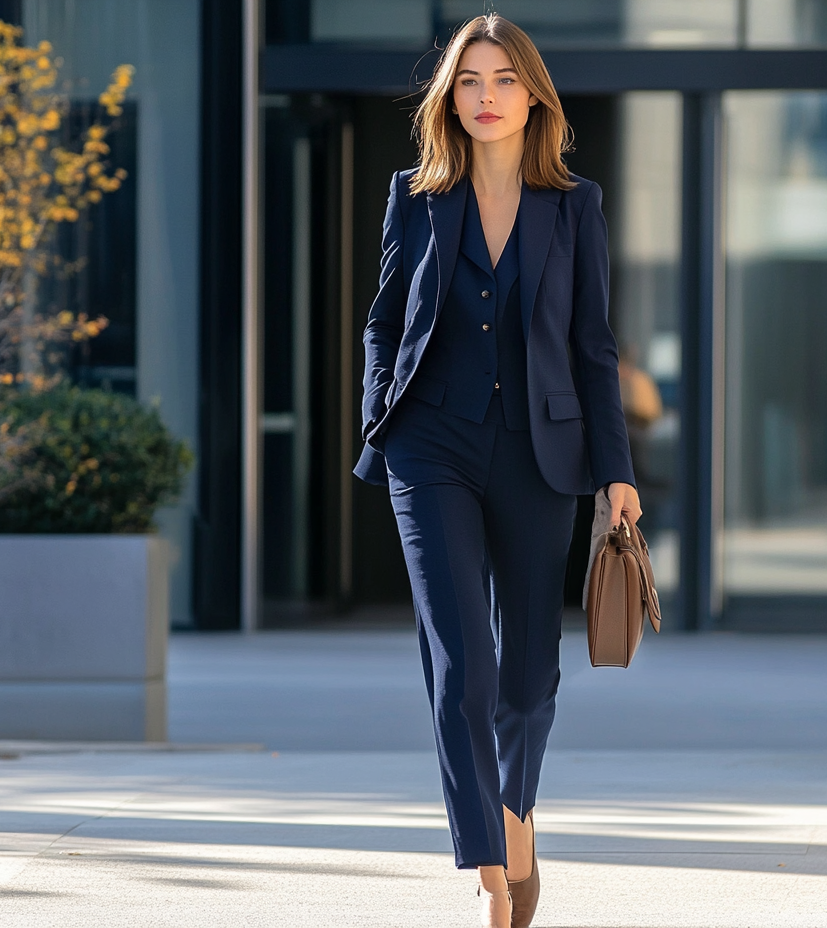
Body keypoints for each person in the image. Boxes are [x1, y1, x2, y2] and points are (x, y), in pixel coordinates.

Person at [352, 14, 641, 927]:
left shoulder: (574, 205)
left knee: (527, 676)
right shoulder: (416, 194)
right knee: (462, 659)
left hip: (539, 452)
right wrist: (379, 413)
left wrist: (615, 469)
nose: (486, 97)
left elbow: (594, 348)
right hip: (429, 446)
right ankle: (491, 857)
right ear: (451, 98)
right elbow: (384, 321)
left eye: (504, 80)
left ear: (533, 96)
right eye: (469, 81)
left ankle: (517, 815)